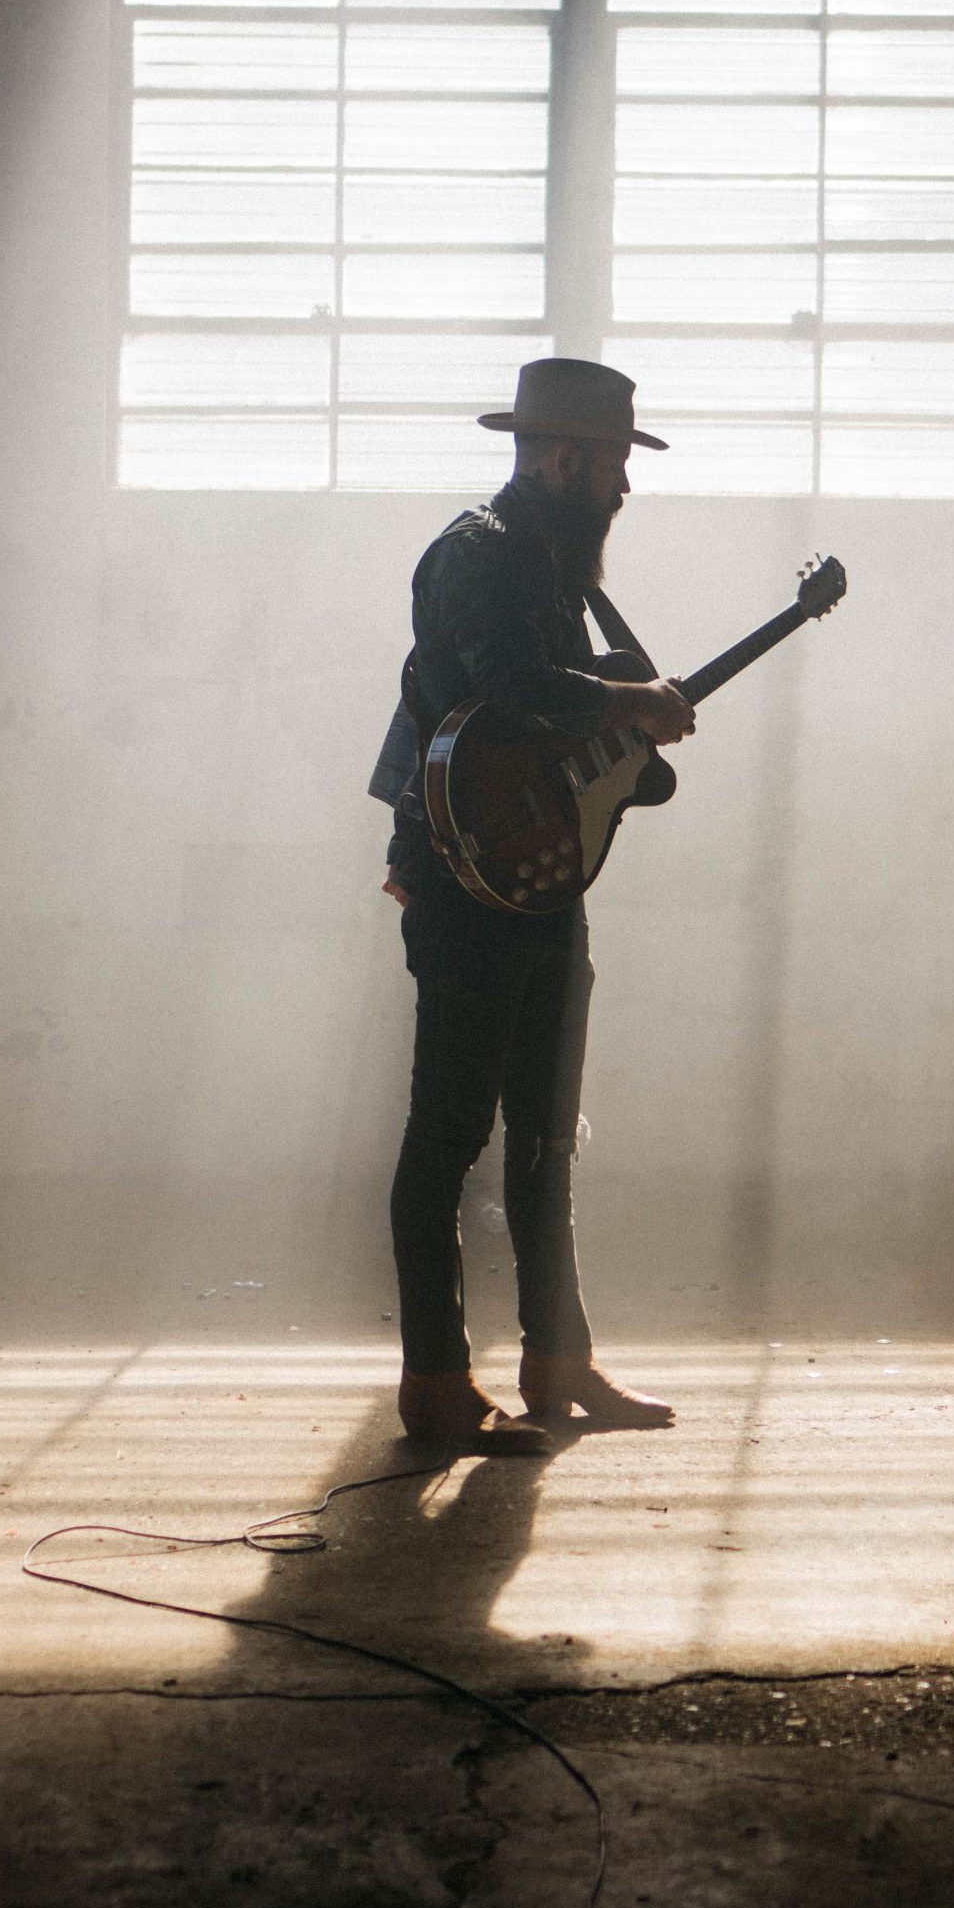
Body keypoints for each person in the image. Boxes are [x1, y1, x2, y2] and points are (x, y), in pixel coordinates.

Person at [376, 358, 696, 1455]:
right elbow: (507, 684)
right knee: (449, 1136)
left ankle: (559, 1362)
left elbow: (563, 741)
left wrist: (628, 750)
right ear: (563, 458)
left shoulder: (561, 572)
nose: (622, 486)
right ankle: (434, 1382)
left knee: (546, 1139)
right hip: (465, 891)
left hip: (547, 887)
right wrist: (627, 701)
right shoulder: (473, 556)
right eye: (612, 464)